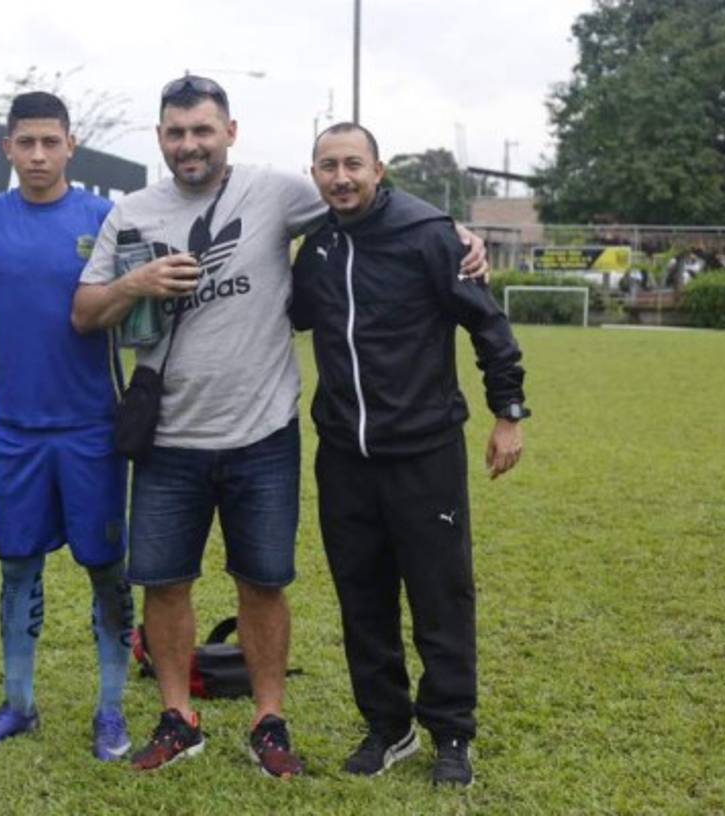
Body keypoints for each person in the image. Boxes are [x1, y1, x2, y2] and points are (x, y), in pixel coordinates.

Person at [71, 77, 489, 778]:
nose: (189, 144)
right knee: (165, 585)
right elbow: (85, 312)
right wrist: (132, 286)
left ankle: (270, 722)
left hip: (264, 436)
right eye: (175, 132)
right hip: (170, 441)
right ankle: (179, 718)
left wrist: (453, 230)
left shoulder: (277, 192)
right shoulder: (134, 212)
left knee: (262, 582)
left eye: (202, 130)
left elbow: (369, 204)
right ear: (160, 139)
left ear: (230, 132)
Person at [290, 122, 528, 788]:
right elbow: (292, 316)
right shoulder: (318, 248)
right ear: (313, 174)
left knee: (440, 598)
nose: (341, 177)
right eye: (328, 166)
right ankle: (387, 728)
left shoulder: (428, 235)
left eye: (353, 165)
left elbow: (489, 326)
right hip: (343, 455)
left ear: (379, 169)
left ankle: (451, 733)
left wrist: (507, 414)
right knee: (361, 599)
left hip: (425, 453)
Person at [0, 92, 134, 761]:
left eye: (49, 142)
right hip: (16, 429)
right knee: (18, 567)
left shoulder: (105, 216)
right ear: (7, 148)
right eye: (24, 143)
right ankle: (20, 705)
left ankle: (110, 711)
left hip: (92, 428)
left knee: (106, 569)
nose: (36, 155)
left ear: (69, 145)